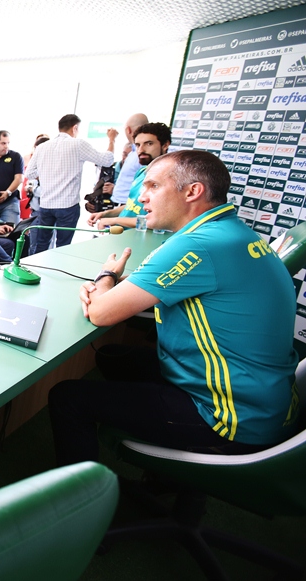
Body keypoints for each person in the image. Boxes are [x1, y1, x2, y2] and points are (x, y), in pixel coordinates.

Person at [48, 150, 299, 466]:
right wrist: (116, 284)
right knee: (113, 357)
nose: (141, 196)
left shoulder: (196, 244)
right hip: (266, 404)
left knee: (68, 398)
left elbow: (100, 312)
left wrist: (106, 276)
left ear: (193, 191)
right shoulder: (231, 232)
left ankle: (78, 505)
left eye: (153, 186)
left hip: (231, 419)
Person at [26, 114, 117, 254]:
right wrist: (111, 140)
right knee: (63, 247)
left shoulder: (42, 147)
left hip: (46, 204)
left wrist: (47, 174)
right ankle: (57, 274)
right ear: (75, 128)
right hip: (67, 206)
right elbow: (107, 160)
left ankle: (37, 271)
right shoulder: (78, 144)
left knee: (41, 245)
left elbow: (29, 174)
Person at [88, 123, 171, 230]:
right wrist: (105, 214)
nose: (141, 149)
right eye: (137, 145)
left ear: (165, 145)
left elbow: (156, 221)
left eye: (149, 144)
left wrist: (115, 220)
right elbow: (131, 206)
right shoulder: (142, 172)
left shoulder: (170, 179)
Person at [110, 113, 150, 206]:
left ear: (128, 130)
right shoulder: (133, 152)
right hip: (121, 203)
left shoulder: (141, 155)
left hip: (128, 205)